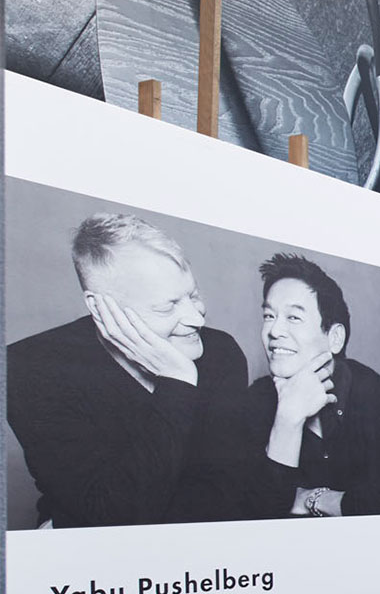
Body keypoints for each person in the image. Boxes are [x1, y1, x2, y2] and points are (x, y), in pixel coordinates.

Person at [7, 212, 251, 528]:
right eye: (167, 306)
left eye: (193, 295)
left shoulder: (221, 352)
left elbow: (231, 496)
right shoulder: (32, 368)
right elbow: (115, 515)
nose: (196, 318)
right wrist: (178, 382)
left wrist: (71, 520)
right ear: (99, 307)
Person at [249, 253, 380, 517]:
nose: (274, 331)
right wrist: (288, 419)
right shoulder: (254, 400)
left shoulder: (376, 395)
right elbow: (256, 516)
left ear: (335, 338)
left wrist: (312, 499)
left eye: (293, 317)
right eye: (269, 315)